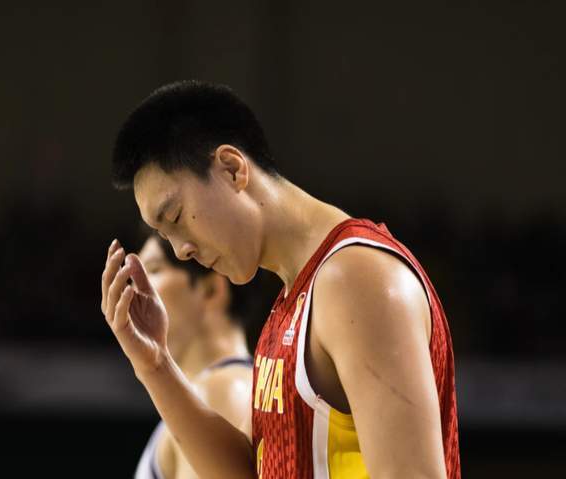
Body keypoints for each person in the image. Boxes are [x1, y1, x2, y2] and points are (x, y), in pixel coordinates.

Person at [101, 80, 460, 478]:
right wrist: (156, 366)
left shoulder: (355, 278)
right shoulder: (293, 300)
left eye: (175, 217)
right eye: (165, 235)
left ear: (232, 169)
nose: (181, 250)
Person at [134, 234, 253, 479]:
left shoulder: (220, 390)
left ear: (211, 290)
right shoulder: (209, 390)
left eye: (153, 270)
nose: (133, 288)